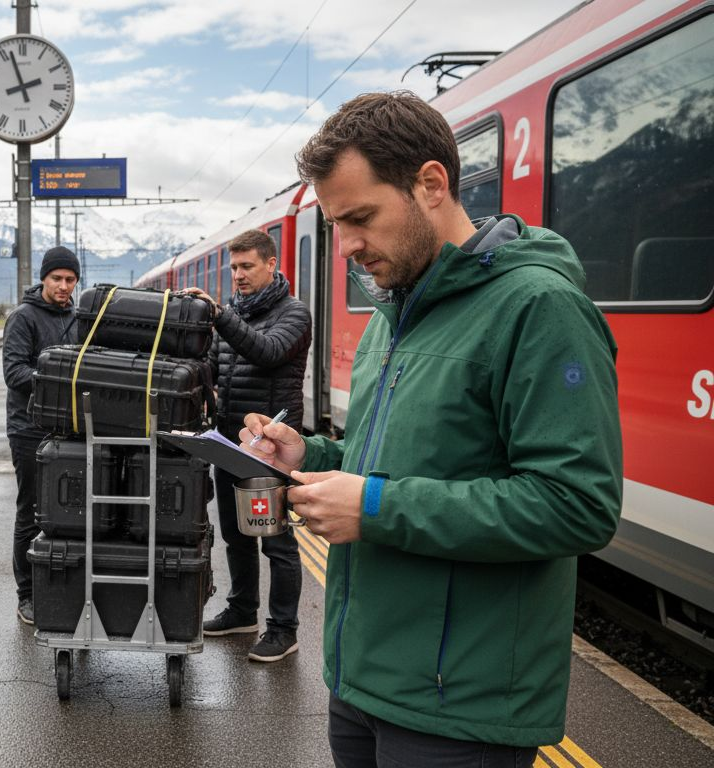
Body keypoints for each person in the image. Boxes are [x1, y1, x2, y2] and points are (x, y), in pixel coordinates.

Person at [240, 91, 622, 764]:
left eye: (361, 218)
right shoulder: (393, 316)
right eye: (337, 225)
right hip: (362, 679)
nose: (348, 247)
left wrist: (375, 508)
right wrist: (309, 452)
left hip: (458, 705)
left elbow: (577, 505)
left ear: (432, 184)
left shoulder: (540, 308)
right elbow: (395, 457)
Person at [184, 229, 311, 663]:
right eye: (233, 267)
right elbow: (213, 368)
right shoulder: (234, 314)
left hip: (269, 449)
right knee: (236, 534)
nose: (237, 275)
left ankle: (284, 629)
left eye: (246, 266)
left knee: (275, 541)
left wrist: (220, 316)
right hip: (229, 441)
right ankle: (242, 611)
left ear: (271, 264)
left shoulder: (294, 314)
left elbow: (268, 352)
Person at [1, 246, 79, 625]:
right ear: (44, 279)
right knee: (31, 512)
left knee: (69, 512)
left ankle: (62, 586)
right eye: (57, 279)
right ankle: (27, 595)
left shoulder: (78, 318)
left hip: (68, 429)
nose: (63, 286)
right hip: (29, 430)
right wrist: (59, 377)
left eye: (70, 280)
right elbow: (14, 373)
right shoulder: (23, 318)